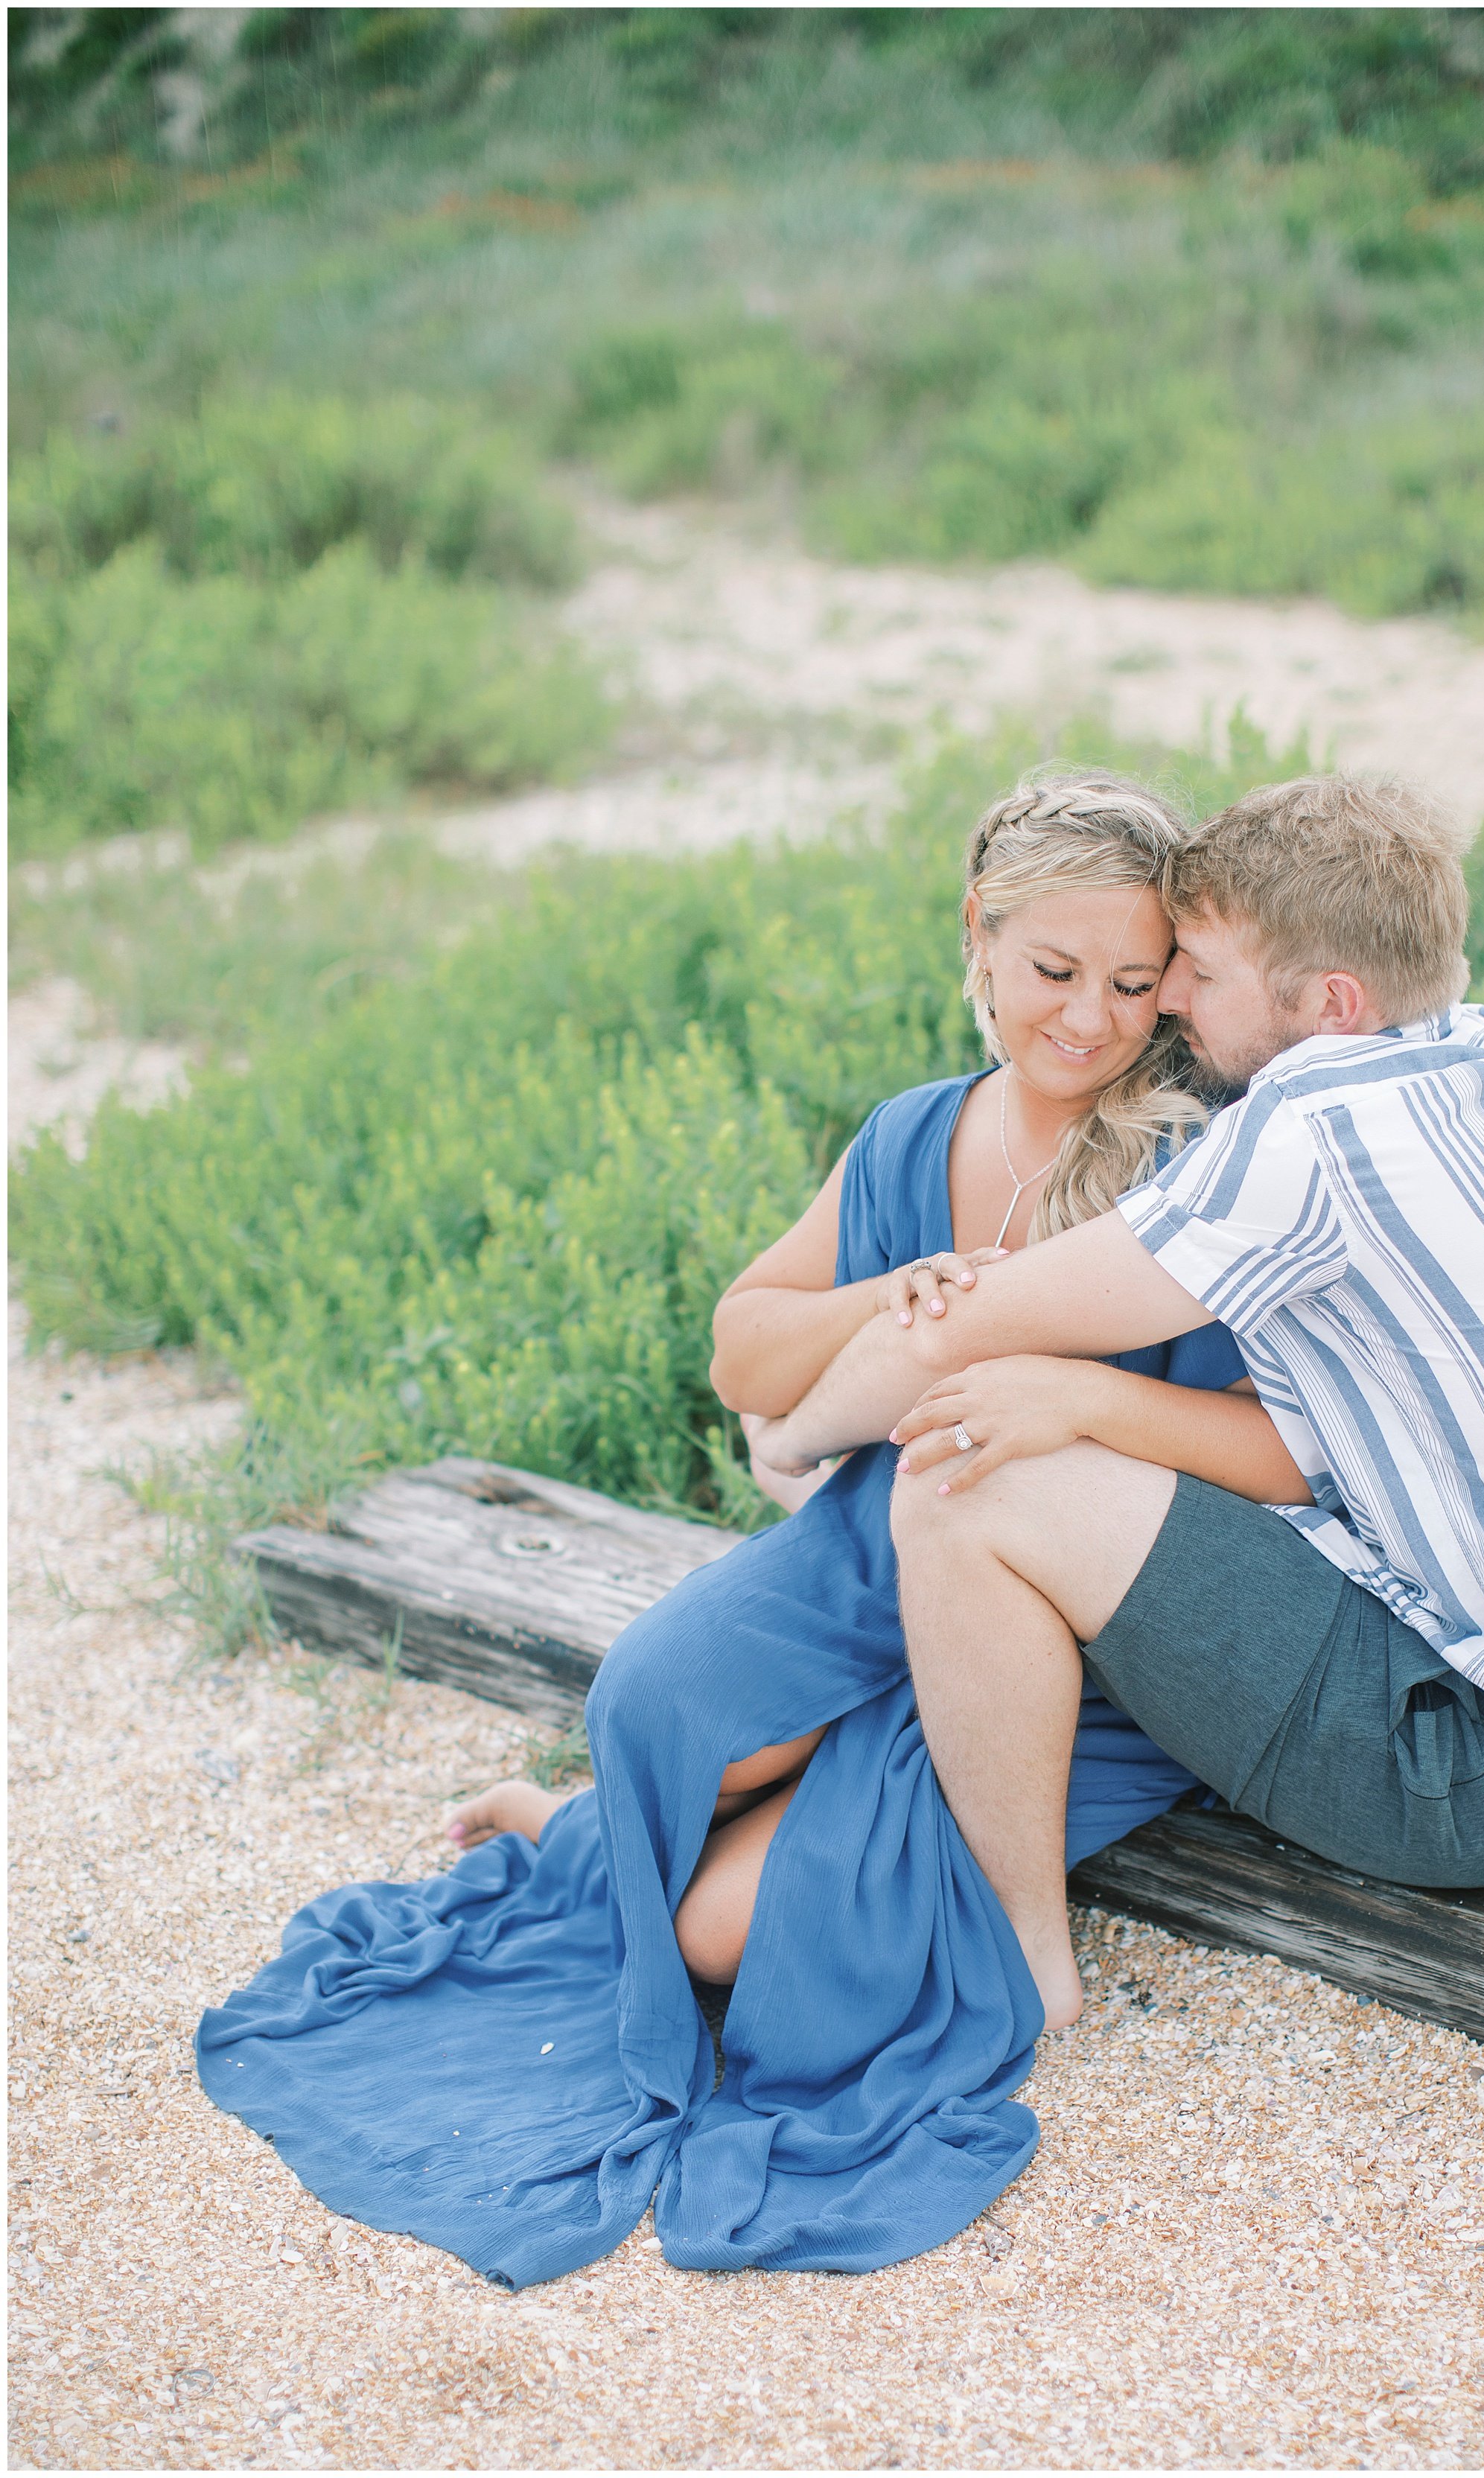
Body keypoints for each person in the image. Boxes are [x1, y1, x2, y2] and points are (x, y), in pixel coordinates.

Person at [195, 773, 1311, 2290]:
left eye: (1131, 982)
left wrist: (1064, 1396)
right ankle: (592, 1831)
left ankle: (610, 1852)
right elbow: (744, 1352)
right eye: (1051, 972)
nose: (1090, 1020)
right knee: (648, 1704)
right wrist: (891, 1293)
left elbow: (1285, 1464)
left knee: (737, 1932)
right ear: (974, 940)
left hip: (1066, 1615)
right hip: (871, 1543)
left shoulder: (1203, 1157)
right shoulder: (917, 1129)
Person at [751, 773, 1484, 2032]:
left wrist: (794, 1439)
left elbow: (981, 1318)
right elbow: (1320, 1446)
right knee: (1037, 1432)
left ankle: (1026, 1963)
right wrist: (1080, 1399)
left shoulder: (1316, 1127)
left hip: (1479, 1770)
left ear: (1330, 1004)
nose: (1173, 1001)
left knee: (965, 1485)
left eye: (1198, 970)